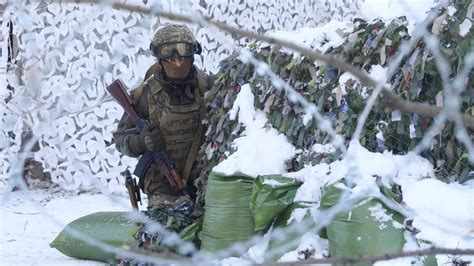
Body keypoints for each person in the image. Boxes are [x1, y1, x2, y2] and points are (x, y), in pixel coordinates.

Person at [113, 24, 212, 208]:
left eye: (183, 52)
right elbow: (120, 140)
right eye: (169, 54)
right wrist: (142, 142)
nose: (177, 61)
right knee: (168, 229)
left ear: (193, 54)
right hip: (162, 184)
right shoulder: (144, 95)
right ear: (159, 58)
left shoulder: (209, 87)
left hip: (207, 180)